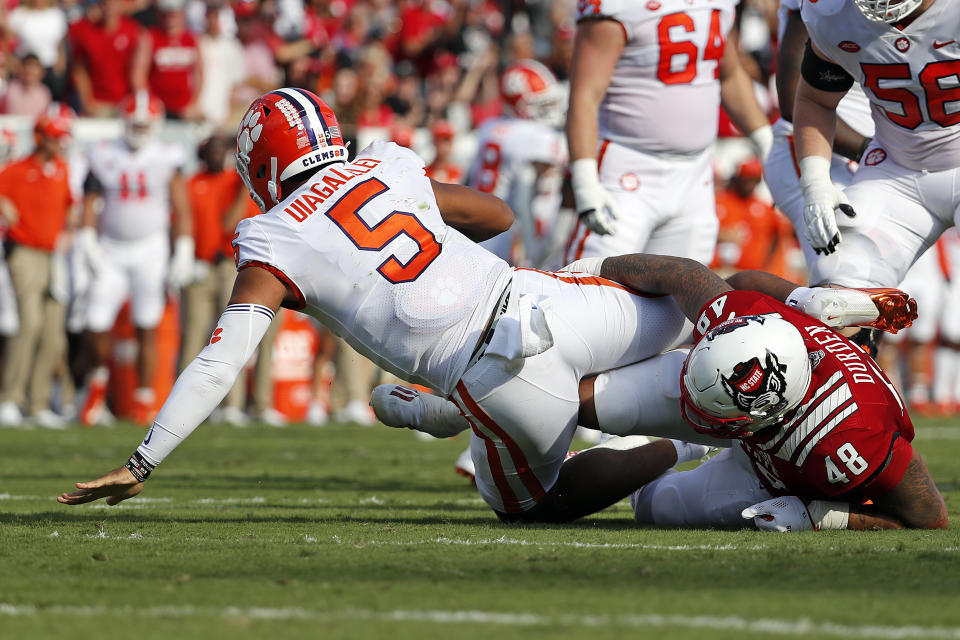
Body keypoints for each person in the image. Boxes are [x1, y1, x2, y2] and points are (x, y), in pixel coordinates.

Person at [563, 0, 773, 266]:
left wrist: (767, 142)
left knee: (681, 299)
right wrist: (585, 182)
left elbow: (729, 73)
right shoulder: (617, 6)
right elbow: (584, 96)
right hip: (627, 169)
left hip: (695, 174)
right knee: (592, 288)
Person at [793, 0, 960, 288]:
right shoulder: (833, 14)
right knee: (839, 287)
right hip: (896, 173)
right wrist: (815, 182)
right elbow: (815, 99)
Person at [75, 91, 193, 427]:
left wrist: (182, 249)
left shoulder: (167, 156)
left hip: (150, 249)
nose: (139, 129)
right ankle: (97, 385)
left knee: (147, 324)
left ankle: (144, 398)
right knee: (94, 323)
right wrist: (87, 240)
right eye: (134, 123)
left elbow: (181, 208)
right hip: (111, 248)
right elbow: (89, 200)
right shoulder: (103, 153)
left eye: (144, 124)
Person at [760, 0, 874, 273]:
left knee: (912, 292)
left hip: (874, 155)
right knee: (844, 277)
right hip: (819, 151)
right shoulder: (825, 9)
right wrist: (874, 150)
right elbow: (794, 102)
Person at [0, 104, 76, 429]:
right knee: (28, 323)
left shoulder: (60, 169)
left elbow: (70, 207)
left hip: (53, 256)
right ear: (40, 136)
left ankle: (39, 402)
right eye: (55, 137)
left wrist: (70, 231)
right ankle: (10, 399)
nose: (60, 143)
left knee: (52, 332)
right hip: (25, 253)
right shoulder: (16, 169)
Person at [466, 59, 567, 266]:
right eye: (541, 104)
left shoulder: (489, 127)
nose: (549, 110)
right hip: (508, 228)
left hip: (477, 227)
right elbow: (525, 195)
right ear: (519, 104)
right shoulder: (537, 137)